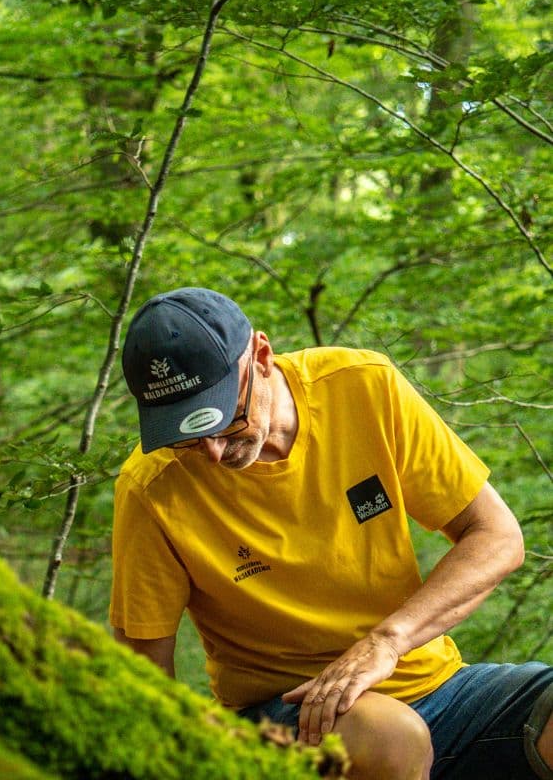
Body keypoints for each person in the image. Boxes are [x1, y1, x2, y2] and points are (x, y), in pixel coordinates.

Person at [110, 287, 553, 780]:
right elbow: (143, 672)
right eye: (188, 436)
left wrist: (388, 642)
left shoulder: (361, 387)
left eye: (226, 421)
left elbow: (497, 537)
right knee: (391, 739)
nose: (213, 451)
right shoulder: (152, 489)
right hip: (287, 715)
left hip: (436, 687)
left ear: (261, 357)